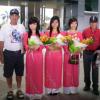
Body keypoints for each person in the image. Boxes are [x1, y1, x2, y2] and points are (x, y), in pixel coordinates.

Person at [0, 9, 25, 100]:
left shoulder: (22, 27)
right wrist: (1, 56)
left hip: (19, 54)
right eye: (12, 15)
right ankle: (10, 90)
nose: (14, 17)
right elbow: (1, 42)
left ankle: (19, 89)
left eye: (16, 15)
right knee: (8, 74)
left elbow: (24, 40)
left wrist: (24, 49)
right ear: (10, 16)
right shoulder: (4, 27)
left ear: (18, 16)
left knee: (19, 73)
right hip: (8, 54)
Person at [23, 17, 44, 99]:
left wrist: (38, 47)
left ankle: (38, 92)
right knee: (30, 74)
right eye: (31, 24)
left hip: (38, 56)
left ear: (37, 24)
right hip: (29, 56)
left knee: (38, 74)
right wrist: (29, 47)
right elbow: (25, 44)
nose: (32, 25)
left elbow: (43, 45)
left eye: (34, 24)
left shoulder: (41, 34)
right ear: (29, 25)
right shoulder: (26, 35)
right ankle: (30, 92)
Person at [63, 18, 82, 94]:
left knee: (75, 71)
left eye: (75, 23)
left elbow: (81, 44)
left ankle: (74, 89)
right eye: (72, 23)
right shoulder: (66, 33)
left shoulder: (79, 33)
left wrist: (78, 50)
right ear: (69, 24)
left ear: (77, 24)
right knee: (67, 71)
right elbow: (64, 44)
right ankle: (67, 89)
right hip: (68, 54)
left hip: (75, 54)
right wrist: (68, 51)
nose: (74, 25)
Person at [45, 16, 63, 95]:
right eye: (53, 22)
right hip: (49, 54)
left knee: (57, 71)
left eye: (56, 22)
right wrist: (50, 47)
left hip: (58, 54)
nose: (55, 24)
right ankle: (49, 89)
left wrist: (59, 46)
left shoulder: (62, 33)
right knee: (49, 71)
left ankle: (55, 89)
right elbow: (44, 43)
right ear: (51, 23)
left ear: (58, 23)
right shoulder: (47, 33)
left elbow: (64, 44)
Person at [82, 16, 100, 95]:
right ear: (90, 22)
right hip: (86, 53)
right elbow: (82, 41)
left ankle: (95, 87)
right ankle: (87, 85)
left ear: (97, 22)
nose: (93, 24)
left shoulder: (99, 31)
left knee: (95, 71)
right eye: (92, 22)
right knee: (86, 70)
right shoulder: (85, 31)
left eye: (95, 22)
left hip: (96, 54)